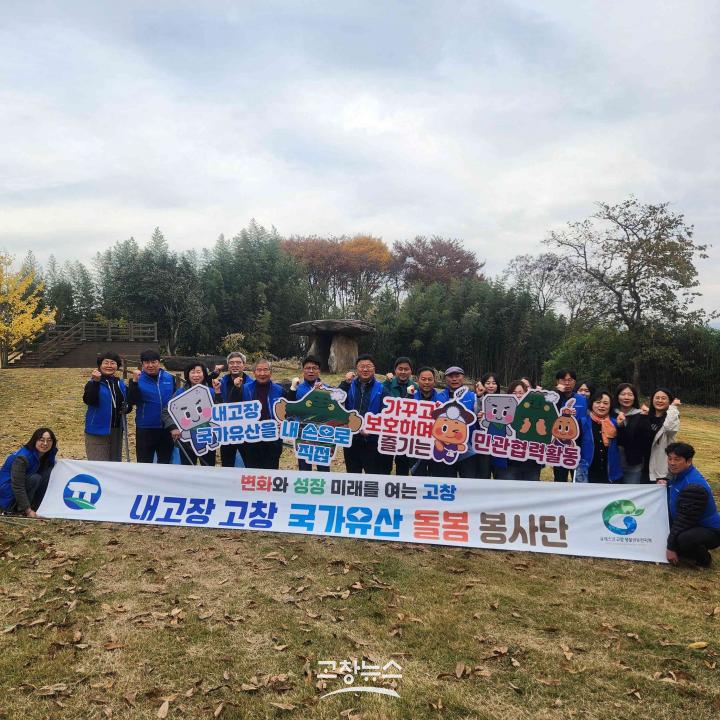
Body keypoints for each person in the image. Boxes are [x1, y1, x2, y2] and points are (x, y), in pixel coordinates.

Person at [658, 442, 720, 567]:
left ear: (689, 461)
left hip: (710, 529)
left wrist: (671, 548)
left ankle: (703, 559)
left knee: (684, 539)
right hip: (691, 522)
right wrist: (665, 483)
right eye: (670, 458)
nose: (672, 463)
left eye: (677, 459)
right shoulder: (677, 475)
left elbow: (684, 521)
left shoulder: (694, 486)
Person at [127, 349, 177, 463]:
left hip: (166, 427)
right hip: (145, 427)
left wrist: (174, 425)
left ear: (159, 362)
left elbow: (175, 402)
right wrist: (134, 382)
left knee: (165, 462)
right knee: (144, 463)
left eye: (153, 362)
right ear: (142, 364)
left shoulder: (169, 378)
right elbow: (132, 401)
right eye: (147, 362)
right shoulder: (137, 379)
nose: (150, 365)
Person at [165, 362, 217, 466]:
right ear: (187, 375)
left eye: (199, 372)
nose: (196, 375)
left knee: (209, 467)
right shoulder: (180, 393)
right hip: (187, 437)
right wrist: (173, 427)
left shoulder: (211, 392)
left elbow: (221, 409)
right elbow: (166, 411)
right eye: (192, 372)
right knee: (187, 467)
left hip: (208, 435)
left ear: (204, 374)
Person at [340, 354, 385, 474]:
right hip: (351, 439)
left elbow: (387, 411)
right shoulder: (349, 385)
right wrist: (345, 383)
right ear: (356, 369)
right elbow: (336, 400)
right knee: (353, 475)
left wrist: (373, 428)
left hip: (372, 440)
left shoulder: (381, 388)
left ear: (374, 369)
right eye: (361, 366)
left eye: (369, 366)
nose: (365, 369)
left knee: (373, 475)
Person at [0, 428, 58, 518]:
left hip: (24, 488)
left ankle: (39, 506)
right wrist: (28, 510)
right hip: (7, 495)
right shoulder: (22, 458)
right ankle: (20, 510)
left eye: (49, 440)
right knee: (35, 478)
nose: (45, 443)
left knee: (49, 472)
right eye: (41, 440)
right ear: (34, 440)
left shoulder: (46, 454)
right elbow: (17, 486)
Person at [82, 351, 128, 461]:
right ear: (100, 365)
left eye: (113, 363)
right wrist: (96, 382)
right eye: (106, 363)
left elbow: (127, 403)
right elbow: (90, 400)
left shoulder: (120, 383)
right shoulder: (92, 383)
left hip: (116, 430)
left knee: (114, 464)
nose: (109, 366)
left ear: (117, 366)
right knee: (98, 464)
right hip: (97, 430)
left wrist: (127, 407)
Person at [241, 359, 285, 469]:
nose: (262, 373)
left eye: (265, 370)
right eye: (259, 370)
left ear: (271, 372)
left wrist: (283, 423)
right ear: (254, 372)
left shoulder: (279, 390)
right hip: (251, 437)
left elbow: (288, 411)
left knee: (271, 471)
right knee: (252, 471)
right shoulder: (245, 389)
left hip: (272, 437)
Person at [435, 366, 479, 478]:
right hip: (445, 449)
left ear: (463, 378)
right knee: (448, 483)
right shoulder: (438, 397)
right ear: (445, 378)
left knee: (468, 483)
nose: (454, 379)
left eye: (457, 376)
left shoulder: (473, 397)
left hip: (468, 449)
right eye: (451, 376)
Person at [289, 355, 329, 472]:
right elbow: (289, 408)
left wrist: (322, 392)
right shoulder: (297, 388)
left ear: (319, 371)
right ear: (303, 370)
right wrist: (292, 389)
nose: (311, 371)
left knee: (323, 467)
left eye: (314, 368)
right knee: (304, 467)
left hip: (323, 433)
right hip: (302, 433)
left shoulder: (327, 388)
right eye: (308, 368)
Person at [214, 352, 252, 468]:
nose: (235, 365)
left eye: (238, 362)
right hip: (227, 430)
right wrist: (217, 392)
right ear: (228, 365)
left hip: (247, 429)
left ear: (244, 365)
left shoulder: (251, 384)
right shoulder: (221, 382)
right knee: (227, 463)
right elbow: (218, 404)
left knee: (250, 462)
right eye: (231, 363)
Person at [576, 390, 622, 483]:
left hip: (611, 473)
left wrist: (622, 426)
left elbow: (624, 442)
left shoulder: (616, 423)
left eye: (605, 403)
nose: (601, 406)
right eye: (598, 402)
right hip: (587, 472)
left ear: (610, 406)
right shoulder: (582, 422)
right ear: (592, 404)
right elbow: (576, 445)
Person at [381, 356, 417, 475]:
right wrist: (387, 381)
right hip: (388, 430)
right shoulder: (387, 384)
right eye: (400, 369)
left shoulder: (416, 387)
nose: (403, 372)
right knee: (385, 464)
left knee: (403, 465)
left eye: (406, 369)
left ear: (411, 371)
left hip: (406, 433)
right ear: (395, 370)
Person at [504, 380, 542, 481]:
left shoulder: (537, 410)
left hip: (531, 461)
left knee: (531, 488)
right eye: (514, 393)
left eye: (521, 393)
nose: (517, 395)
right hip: (510, 461)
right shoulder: (503, 412)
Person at [643, 387, 681, 483]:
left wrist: (673, 407)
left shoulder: (671, 418)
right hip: (642, 464)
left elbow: (669, 429)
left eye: (663, 398)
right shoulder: (646, 416)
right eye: (657, 398)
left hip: (659, 468)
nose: (660, 401)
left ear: (669, 401)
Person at [412, 366, 442, 476]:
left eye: (430, 379)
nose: (427, 382)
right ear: (417, 380)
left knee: (436, 477)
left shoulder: (442, 399)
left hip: (436, 446)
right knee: (418, 477)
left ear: (434, 380)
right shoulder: (410, 398)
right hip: (415, 445)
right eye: (423, 379)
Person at [613, 383, 645, 484]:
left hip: (633, 464)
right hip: (613, 463)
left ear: (635, 397)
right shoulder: (610, 413)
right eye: (623, 394)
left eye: (630, 394)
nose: (626, 397)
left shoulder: (641, 415)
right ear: (617, 396)